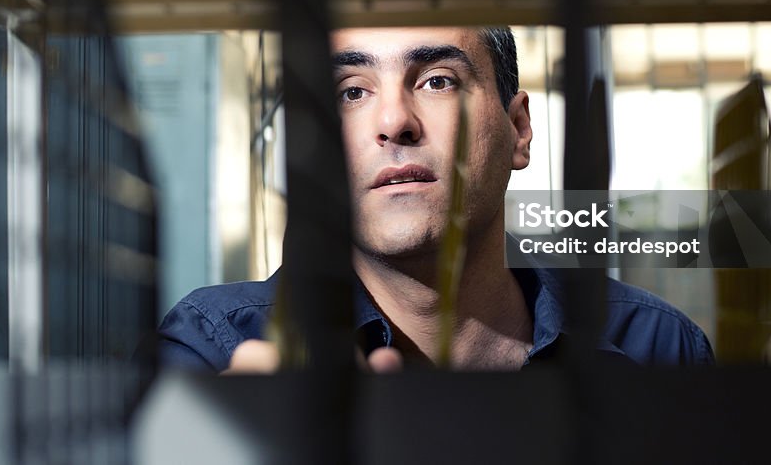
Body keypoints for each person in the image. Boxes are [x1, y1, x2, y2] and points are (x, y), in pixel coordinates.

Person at [155, 26, 714, 372]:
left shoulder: (656, 349)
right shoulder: (213, 349)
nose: (394, 121)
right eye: (352, 92)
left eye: (438, 81)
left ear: (518, 129)